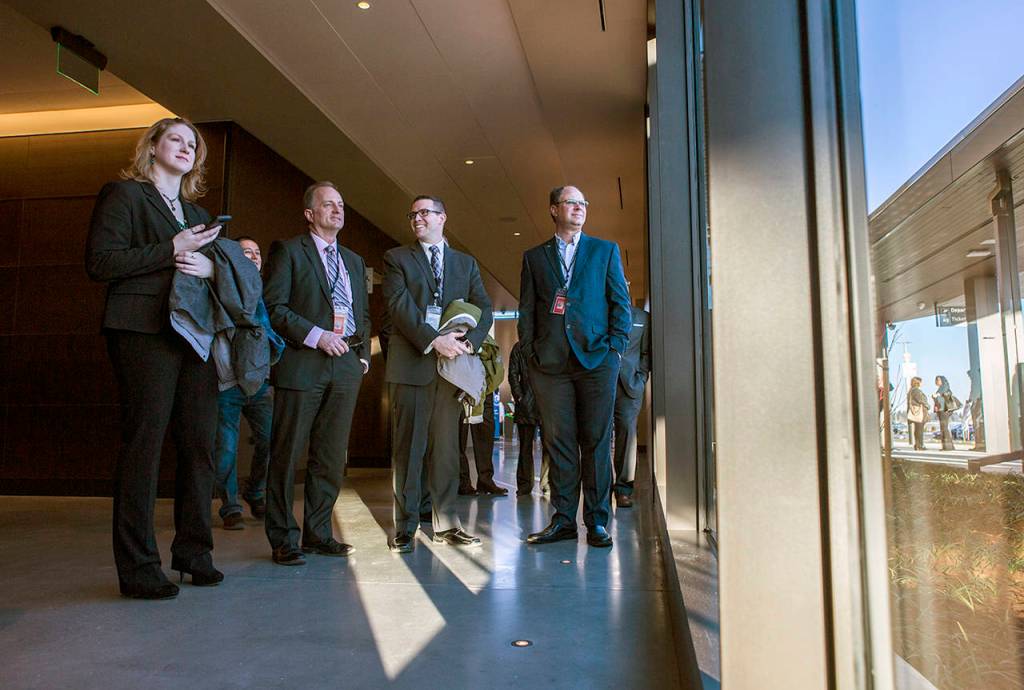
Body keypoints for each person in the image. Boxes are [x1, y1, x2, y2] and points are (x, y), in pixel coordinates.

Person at [86, 117, 225, 599]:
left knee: (199, 445)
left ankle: (193, 552)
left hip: (194, 334)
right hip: (142, 329)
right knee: (144, 446)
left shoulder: (197, 211)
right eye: (176, 140)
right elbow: (101, 263)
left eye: (193, 144)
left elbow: (212, 272)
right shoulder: (124, 195)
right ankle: (139, 567)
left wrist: (209, 266)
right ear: (153, 146)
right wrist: (171, 248)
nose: (186, 148)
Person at [262, 181, 370, 565]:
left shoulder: (354, 261)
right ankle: (282, 537)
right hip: (303, 362)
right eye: (328, 204)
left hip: (345, 365)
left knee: (329, 456)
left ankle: (318, 533)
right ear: (310, 213)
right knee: (287, 453)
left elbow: (363, 314)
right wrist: (317, 336)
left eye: (341, 204)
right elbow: (274, 307)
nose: (337, 210)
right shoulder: (289, 251)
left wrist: (362, 358)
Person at [517, 185, 631, 548]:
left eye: (583, 202)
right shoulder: (535, 257)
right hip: (550, 364)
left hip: (597, 360)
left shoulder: (604, 250)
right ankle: (563, 519)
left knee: (596, 441)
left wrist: (615, 348)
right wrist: (532, 353)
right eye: (571, 202)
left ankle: (597, 521)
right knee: (559, 442)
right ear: (554, 210)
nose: (579, 207)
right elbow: (528, 310)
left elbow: (620, 303)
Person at [382, 195, 493, 553]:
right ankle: (405, 526)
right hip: (412, 364)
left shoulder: (466, 262)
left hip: (451, 371)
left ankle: (446, 525)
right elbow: (399, 306)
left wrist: (470, 343)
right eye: (413, 214)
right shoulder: (397, 258)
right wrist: (434, 340)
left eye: (424, 212)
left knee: (446, 450)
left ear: (443, 218)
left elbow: (485, 308)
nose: (417, 218)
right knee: (408, 449)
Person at [212, 237, 278, 529]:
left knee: (272, 440)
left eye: (257, 252)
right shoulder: (220, 286)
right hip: (226, 381)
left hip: (260, 382)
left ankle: (256, 492)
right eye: (245, 252)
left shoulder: (266, 292)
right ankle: (230, 506)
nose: (253, 257)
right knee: (226, 448)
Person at [612, 304, 651, 508]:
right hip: (602, 382)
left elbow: (646, 352)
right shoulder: (601, 309)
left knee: (627, 435)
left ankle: (623, 489)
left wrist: (641, 377)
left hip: (630, 385)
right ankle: (600, 490)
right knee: (596, 436)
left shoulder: (643, 317)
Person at [508, 340, 550, 497]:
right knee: (526, 447)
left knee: (547, 446)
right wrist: (520, 397)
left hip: (545, 403)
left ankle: (544, 484)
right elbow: (512, 374)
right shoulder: (520, 347)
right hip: (528, 404)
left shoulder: (546, 344)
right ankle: (529, 485)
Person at [458, 392, 508, 496]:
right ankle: (462, 482)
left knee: (485, 434)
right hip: (461, 385)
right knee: (459, 435)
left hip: (485, 389)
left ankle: (485, 481)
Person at [932, 375, 958, 451]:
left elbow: (941, 395)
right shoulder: (941, 388)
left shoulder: (944, 386)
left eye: (938, 380)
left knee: (944, 428)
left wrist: (936, 395)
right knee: (944, 428)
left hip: (944, 410)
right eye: (936, 380)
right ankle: (947, 446)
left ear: (942, 380)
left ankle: (947, 447)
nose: (937, 381)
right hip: (942, 410)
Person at [906, 376, 928, 451]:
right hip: (919, 412)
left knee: (917, 429)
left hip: (914, 411)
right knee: (920, 429)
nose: (922, 383)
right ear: (918, 383)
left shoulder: (911, 390)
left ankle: (917, 445)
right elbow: (920, 399)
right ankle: (920, 445)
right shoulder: (916, 390)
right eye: (921, 382)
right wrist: (928, 405)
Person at [966, 367, 985, 451]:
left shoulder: (976, 382)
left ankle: (979, 444)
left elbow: (974, 392)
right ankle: (980, 444)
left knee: (977, 423)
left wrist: (971, 400)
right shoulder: (979, 381)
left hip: (977, 402)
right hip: (977, 402)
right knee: (977, 423)